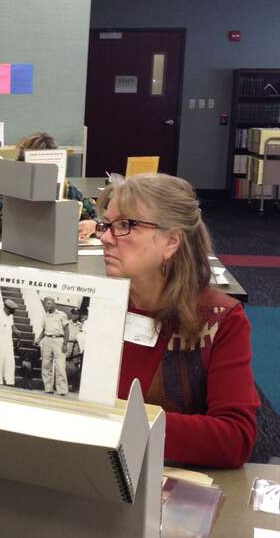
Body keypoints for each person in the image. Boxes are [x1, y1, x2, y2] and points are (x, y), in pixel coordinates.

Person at [98, 173, 259, 468]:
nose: (105, 237)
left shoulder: (220, 320)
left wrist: (120, 425)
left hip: (162, 479)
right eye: (107, 225)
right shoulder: (98, 303)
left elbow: (235, 439)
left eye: (125, 225)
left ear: (171, 241)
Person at [35, 297, 69, 396]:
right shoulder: (45, 316)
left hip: (59, 340)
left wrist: (65, 343)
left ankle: (62, 390)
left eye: (49, 304)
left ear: (54, 304)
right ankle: (48, 388)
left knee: (60, 366)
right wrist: (38, 340)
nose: (47, 306)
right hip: (47, 340)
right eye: (46, 304)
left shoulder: (62, 315)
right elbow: (43, 330)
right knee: (46, 364)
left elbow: (67, 330)